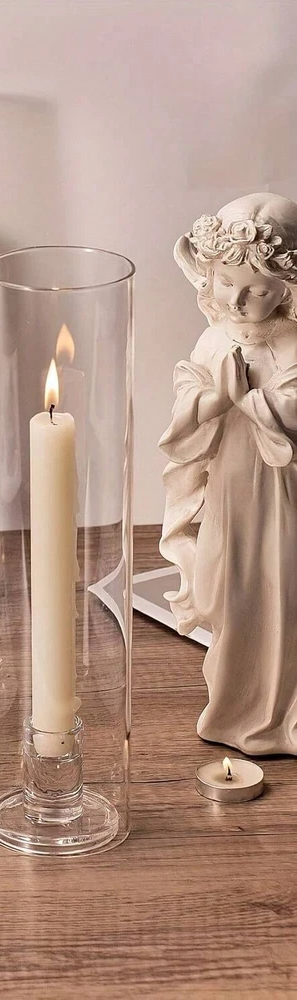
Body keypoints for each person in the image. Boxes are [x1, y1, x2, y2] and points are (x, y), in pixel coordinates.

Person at [161, 192, 297, 754]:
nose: (237, 300)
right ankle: (233, 705)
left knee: (281, 591)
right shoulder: (214, 337)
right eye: (225, 282)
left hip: (283, 492)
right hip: (232, 486)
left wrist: (248, 399)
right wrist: (214, 399)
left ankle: (282, 709)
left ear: (287, 290)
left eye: (257, 290)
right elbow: (189, 395)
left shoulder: (292, 341)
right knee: (232, 589)